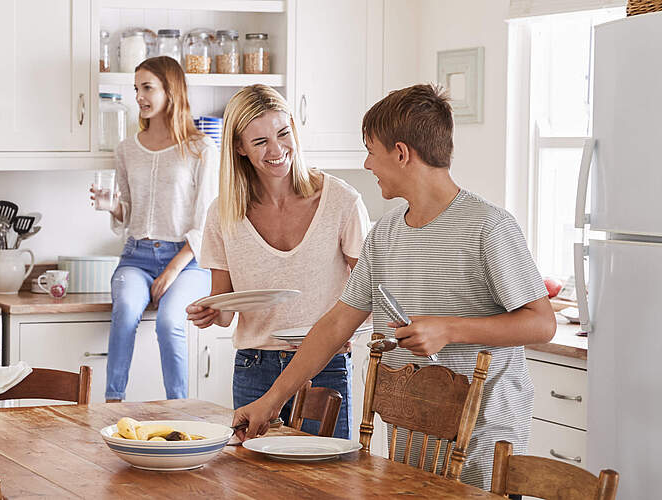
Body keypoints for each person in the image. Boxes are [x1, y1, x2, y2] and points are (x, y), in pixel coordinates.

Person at [231, 84, 555, 489]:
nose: (367, 163)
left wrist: (448, 329)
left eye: (371, 150)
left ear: (401, 154)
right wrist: (270, 401)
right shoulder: (385, 234)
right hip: (412, 435)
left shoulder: (488, 225)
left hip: (481, 437)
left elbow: (541, 323)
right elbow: (335, 326)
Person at [185, 84, 369, 438]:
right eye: (260, 142)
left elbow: (369, 289)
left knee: (326, 483)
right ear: (239, 148)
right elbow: (225, 310)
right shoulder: (223, 213)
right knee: (254, 484)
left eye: (283, 133)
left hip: (324, 366)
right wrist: (210, 312)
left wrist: (349, 331)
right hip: (254, 365)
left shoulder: (341, 201)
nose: (277, 150)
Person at [96, 56, 218, 402]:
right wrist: (113, 206)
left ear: (171, 90)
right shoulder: (127, 149)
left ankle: (178, 407)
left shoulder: (200, 148)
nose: (139, 97)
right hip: (136, 257)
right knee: (125, 313)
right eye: (137, 89)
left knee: (169, 323)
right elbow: (129, 212)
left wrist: (171, 271)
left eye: (147, 87)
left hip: (188, 262)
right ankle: (112, 402)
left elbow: (206, 221)